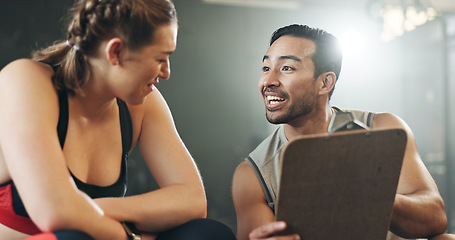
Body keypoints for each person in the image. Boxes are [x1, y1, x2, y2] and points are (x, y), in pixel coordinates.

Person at [0, 0, 236, 240]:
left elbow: (193, 200)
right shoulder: (24, 81)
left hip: (101, 236)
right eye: (160, 58)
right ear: (116, 52)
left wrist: (91, 209)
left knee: (209, 234)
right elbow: (54, 213)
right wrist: (128, 236)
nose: (166, 72)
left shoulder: (142, 102)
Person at [232, 24, 449, 240]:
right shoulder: (252, 175)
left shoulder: (384, 128)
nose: (268, 81)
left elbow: (435, 219)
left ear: (325, 83)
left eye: (287, 68)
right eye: (266, 68)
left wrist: (369, 195)